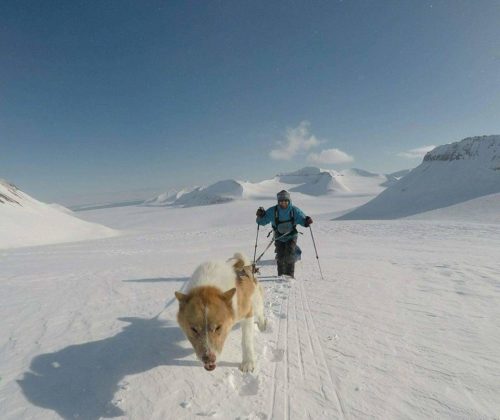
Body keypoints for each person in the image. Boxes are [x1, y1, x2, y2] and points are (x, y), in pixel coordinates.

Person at [256, 190, 313, 278]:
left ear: (289, 201)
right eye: (281, 201)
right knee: (280, 256)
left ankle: (289, 276)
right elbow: (261, 222)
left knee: (289, 254)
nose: (283, 203)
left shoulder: (294, 210)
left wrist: (307, 221)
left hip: (291, 236)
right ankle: (281, 276)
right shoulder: (272, 211)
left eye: (286, 201)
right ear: (278, 202)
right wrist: (260, 216)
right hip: (278, 237)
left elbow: (302, 219)